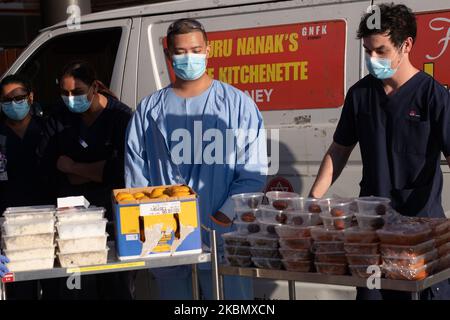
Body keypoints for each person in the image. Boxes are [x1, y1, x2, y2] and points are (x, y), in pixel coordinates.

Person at [309, 3, 450, 300]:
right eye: (367, 51)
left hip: (420, 238)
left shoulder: (433, 96)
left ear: (406, 44)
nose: (372, 59)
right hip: (372, 234)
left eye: (381, 51)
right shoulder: (360, 95)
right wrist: (312, 201)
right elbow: (339, 150)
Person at [125, 18, 268, 299]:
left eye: (195, 49)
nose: (188, 57)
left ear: (208, 50)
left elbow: (253, 171)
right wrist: (149, 221)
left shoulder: (237, 105)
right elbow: (136, 176)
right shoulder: (148, 110)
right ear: (168, 55)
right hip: (166, 236)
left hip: (223, 234)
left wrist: (224, 216)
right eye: (180, 52)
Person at [40, 61, 134, 300]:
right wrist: (95, 170)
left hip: (112, 216)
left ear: (94, 87)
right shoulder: (59, 118)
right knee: (76, 287)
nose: (70, 99)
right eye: (65, 93)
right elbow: (51, 165)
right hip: (73, 218)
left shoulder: (120, 117)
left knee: (114, 285)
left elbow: (120, 171)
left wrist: (74, 167)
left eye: (77, 92)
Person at [0, 74, 55, 299]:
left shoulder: (48, 129)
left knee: (56, 288)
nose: (13, 104)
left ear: (30, 98)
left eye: (18, 97)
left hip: (49, 224)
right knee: (20, 293)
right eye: (6, 100)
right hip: (11, 229)